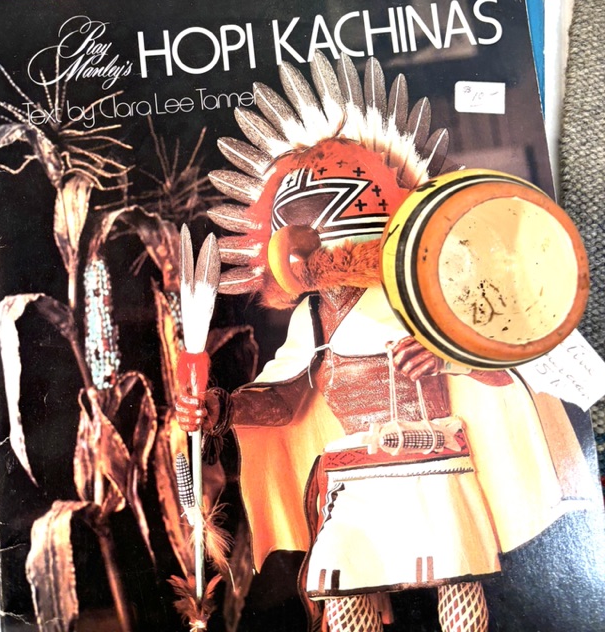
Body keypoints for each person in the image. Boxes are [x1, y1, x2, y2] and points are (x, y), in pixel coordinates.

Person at [177, 52, 590, 632]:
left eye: (318, 238)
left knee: (458, 593)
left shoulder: (433, 292)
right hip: (353, 479)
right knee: (347, 597)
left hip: (436, 463)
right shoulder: (313, 320)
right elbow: (288, 399)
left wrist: (450, 355)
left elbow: (509, 363)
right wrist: (221, 408)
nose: (306, 261)